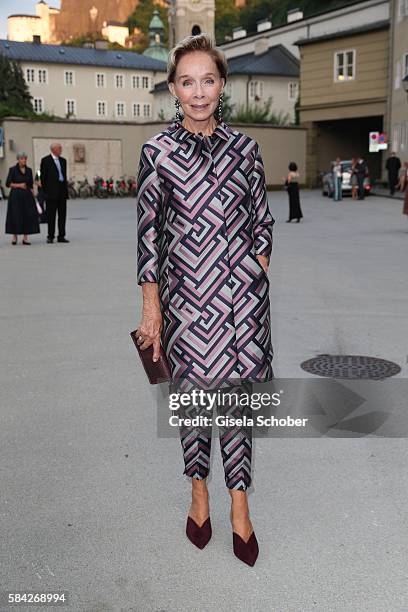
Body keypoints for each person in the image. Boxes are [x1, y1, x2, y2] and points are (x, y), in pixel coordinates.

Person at [134, 33, 275, 567]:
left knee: (237, 408)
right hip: (188, 305)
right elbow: (149, 236)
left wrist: (254, 269)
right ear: (173, 88)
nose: (199, 92)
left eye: (208, 80)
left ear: (221, 85)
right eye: (187, 82)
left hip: (242, 306)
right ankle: (199, 494)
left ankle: (240, 506)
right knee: (194, 409)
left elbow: (262, 219)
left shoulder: (246, 149)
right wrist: (153, 308)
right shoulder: (158, 152)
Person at [5, 152, 40, 245]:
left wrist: (34, 192)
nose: (24, 160)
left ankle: (25, 238)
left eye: (25, 158)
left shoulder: (29, 170)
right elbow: (8, 183)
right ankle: (14, 237)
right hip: (15, 196)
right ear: (18, 159)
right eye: (22, 158)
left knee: (27, 215)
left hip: (27, 196)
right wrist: (19, 185)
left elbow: (30, 184)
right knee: (15, 214)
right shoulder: (12, 170)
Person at [40, 143, 69, 243]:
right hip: (51, 192)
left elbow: (64, 177)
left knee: (62, 215)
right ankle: (50, 236)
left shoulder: (63, 161)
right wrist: (45, 191)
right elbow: (42, 177)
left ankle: (61, 235)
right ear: (53, 149)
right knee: (51, 215)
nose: (61, 149)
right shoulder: (45, 160)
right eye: (59, 148)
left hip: (62, 192)